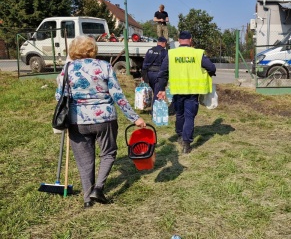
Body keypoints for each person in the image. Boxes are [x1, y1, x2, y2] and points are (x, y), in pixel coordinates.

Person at [55, 35, 146, 209]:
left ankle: (87, 199)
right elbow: (117, 95)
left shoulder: (67, 68)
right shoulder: (104, 66)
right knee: (108, 153)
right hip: (105, 119)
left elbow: (60, 97)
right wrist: (135, 118)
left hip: (77, 120)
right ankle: (98, 188)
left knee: (84, 160)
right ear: (93, 49)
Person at [155, 31, 216, 154]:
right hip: (192, 91)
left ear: (178, 40)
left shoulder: (171, 54)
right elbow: (211, 67)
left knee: (179, 114)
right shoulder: (197, 53)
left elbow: (163, 73)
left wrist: (161, 89)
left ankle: (180, 136)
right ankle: (186, 144)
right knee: (189, 116)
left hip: (177, 90)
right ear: (191, 40)